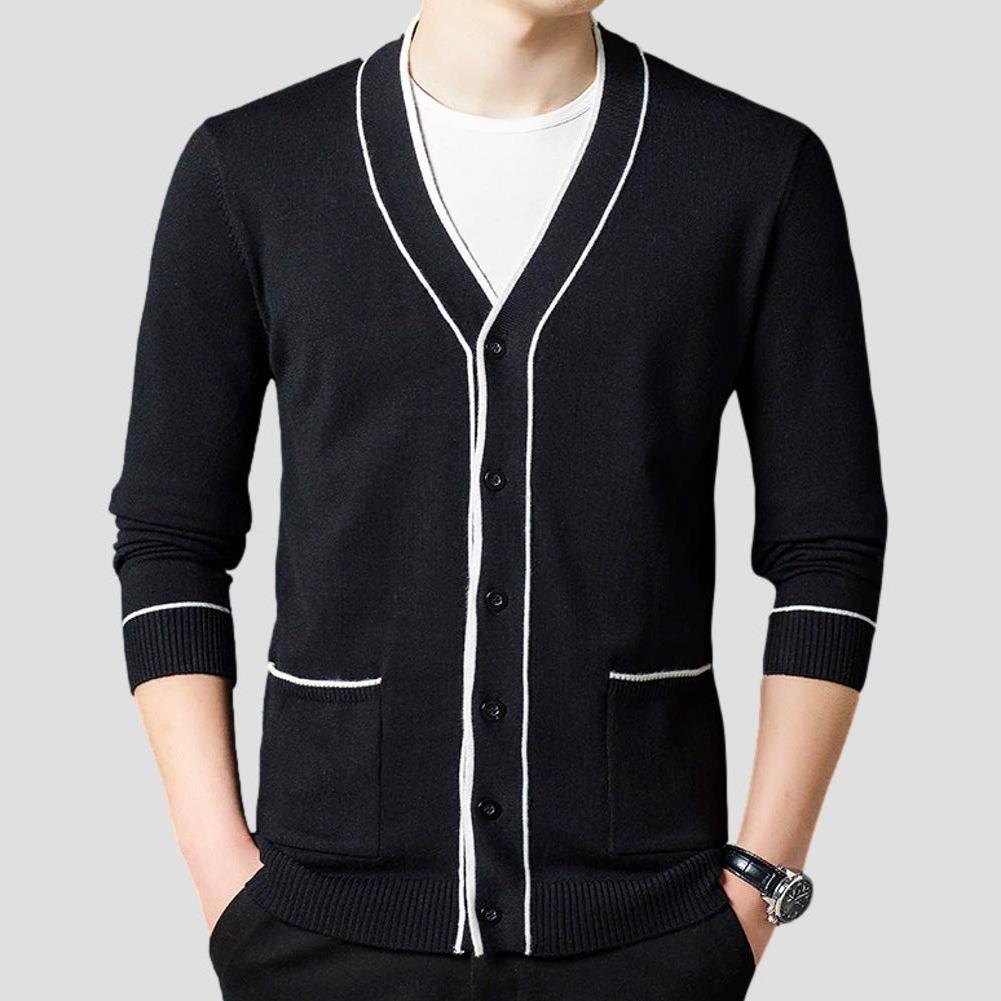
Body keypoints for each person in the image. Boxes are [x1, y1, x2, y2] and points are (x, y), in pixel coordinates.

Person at [109, 2, 886, 998]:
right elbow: (171, 535)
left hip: (648, 928)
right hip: (317, 925)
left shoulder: (753, 170)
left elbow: (827, 545)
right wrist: (222, 877)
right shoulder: (253, 169)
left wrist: (756, 888)